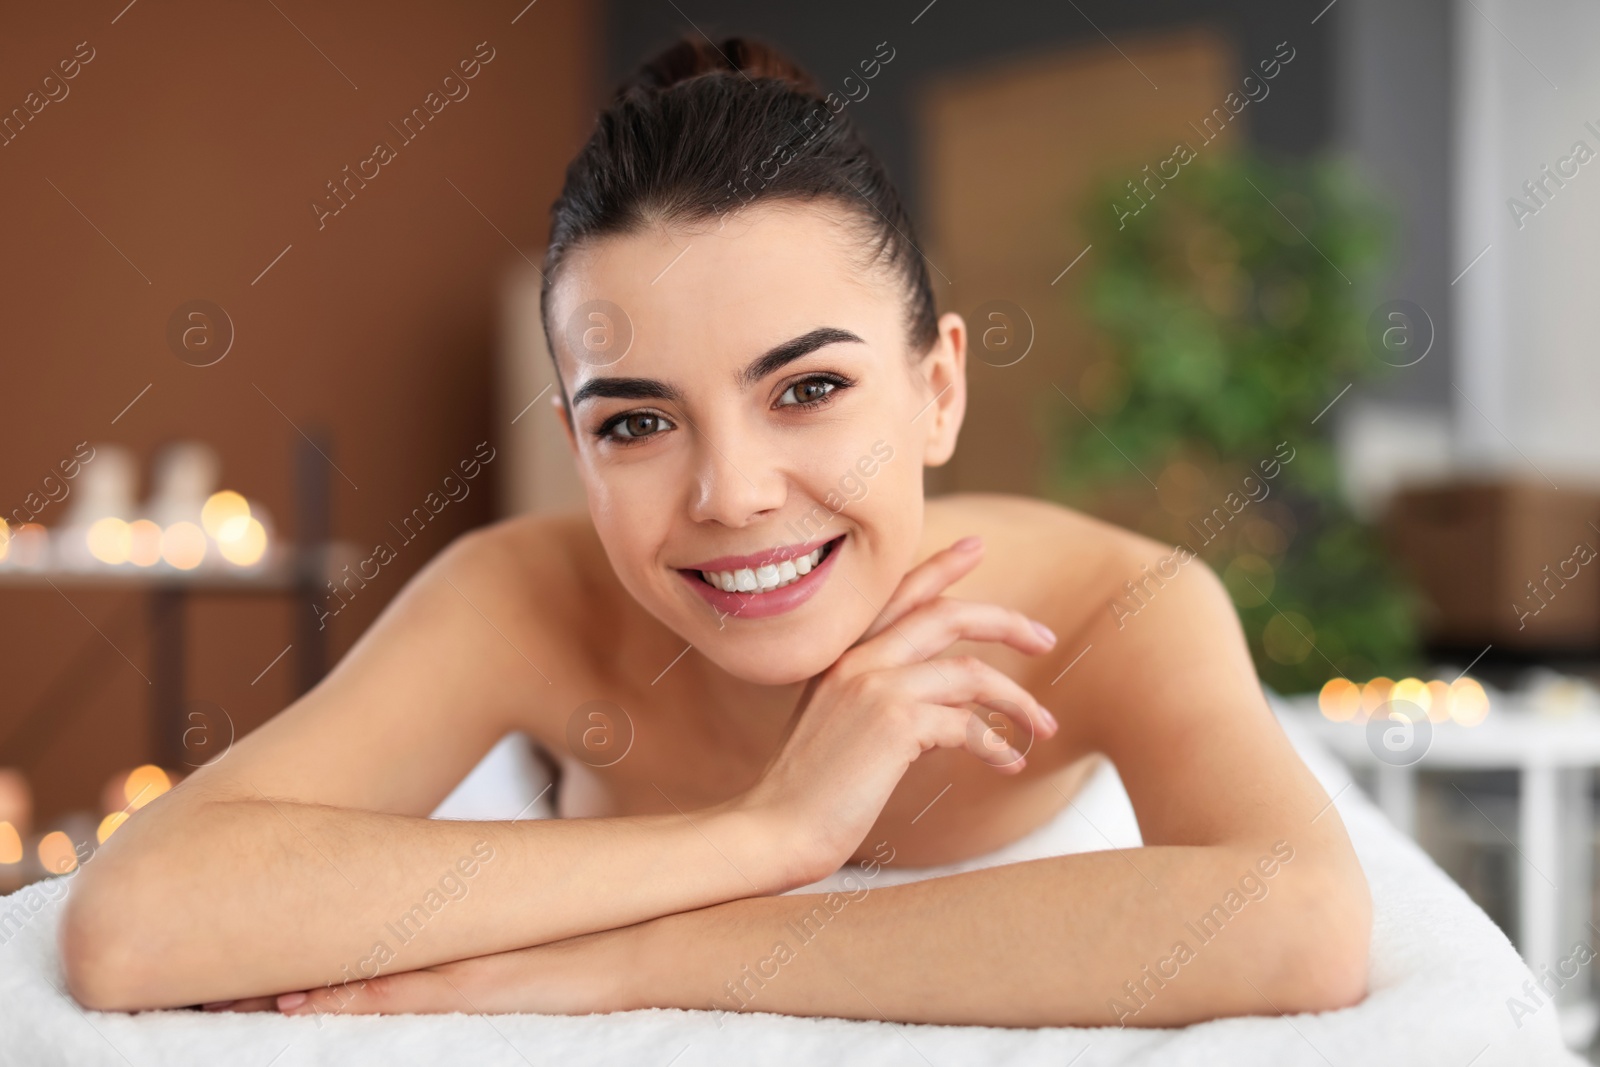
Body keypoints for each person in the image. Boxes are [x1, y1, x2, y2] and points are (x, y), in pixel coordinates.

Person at [61, 36, 1369, 1027]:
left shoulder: (1106, 608)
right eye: (637, 424)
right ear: (575, 446)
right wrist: (772, 838)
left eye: (806, 390)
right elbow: (133, 921)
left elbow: (1303, 921)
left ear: (938, 389)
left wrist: (657, 953)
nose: (732, 495)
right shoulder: (519, 597)